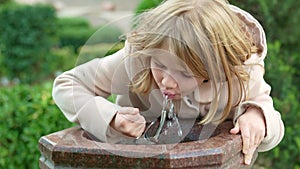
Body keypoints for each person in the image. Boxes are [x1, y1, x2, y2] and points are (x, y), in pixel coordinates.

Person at [52, 0, 284, 165]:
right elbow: (68, 84)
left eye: (184, 73)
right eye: (160, 66)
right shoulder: (138, 58)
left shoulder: (238, 73)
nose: (167, 82)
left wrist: (257, 115)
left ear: (213, 70)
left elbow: (269, 113)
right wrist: (110, 117)